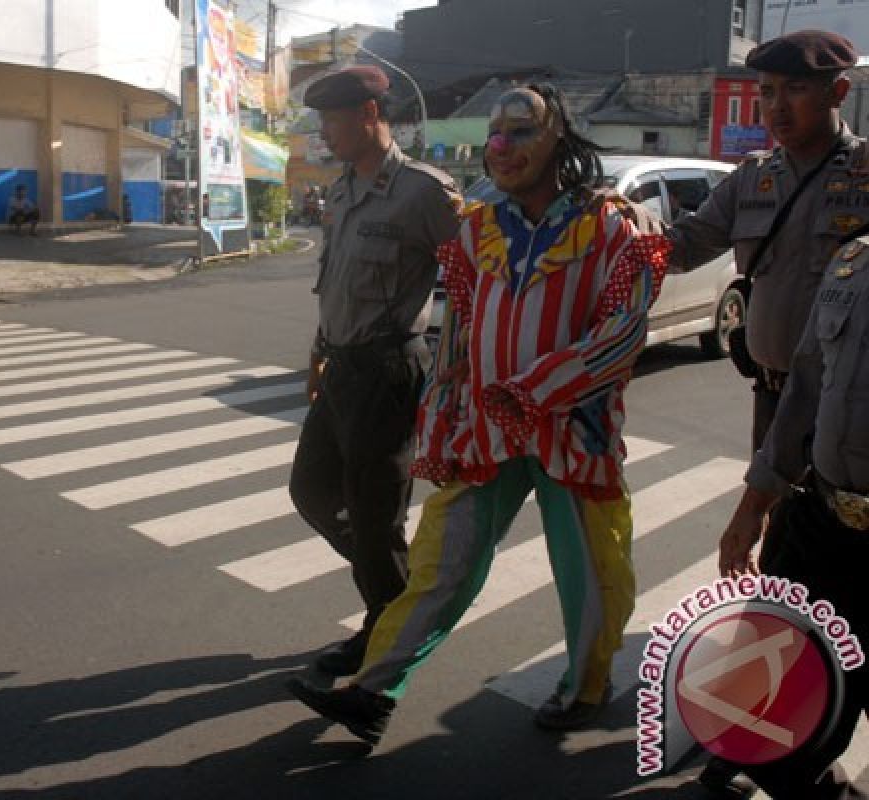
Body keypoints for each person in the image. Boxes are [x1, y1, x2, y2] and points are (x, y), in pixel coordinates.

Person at [288, 83, 672, 744]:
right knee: (442, 563)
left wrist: (538, 388)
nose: (502, 145)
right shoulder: (478, 229)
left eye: (522, 131)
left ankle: (586, 685)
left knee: (588, 568)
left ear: (558, 141)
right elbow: (456, 338)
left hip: (571, 434)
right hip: (488, 431)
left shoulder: (608, 227)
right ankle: (373, 692)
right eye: (495, 132)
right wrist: (442, 421)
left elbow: (622, 334)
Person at [660, 30, 865, 796]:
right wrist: (615, 225)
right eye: (767, 93)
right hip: (780, 395)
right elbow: (682, 249)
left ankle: (787, 743)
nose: (777, 107)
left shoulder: (867, 173)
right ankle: (764, 733)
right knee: (782, 568)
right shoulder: (753, 180)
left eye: (796, 91)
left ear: (838, 94)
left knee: (812, 573)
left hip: (855, 410)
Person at [287, 65, 461, 681]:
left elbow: (473, 284)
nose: (324, 132)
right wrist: (316, 356)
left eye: (333, 119)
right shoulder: (340, 192)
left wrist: (454, 373)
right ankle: (396, 588)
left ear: (368, 115)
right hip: (340, 369)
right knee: (311, 491)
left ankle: (384, 628)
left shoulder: (424, 192)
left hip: (389, 371)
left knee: (372, 513)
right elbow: (332, 284)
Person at [716, 222, 869, 799]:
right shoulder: (853, 262)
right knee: (778, 734)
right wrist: (752, 506)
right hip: (825, 528)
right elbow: (803, 392)